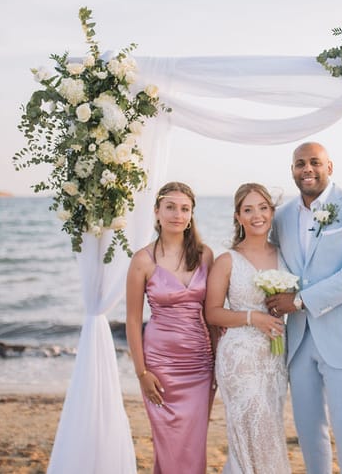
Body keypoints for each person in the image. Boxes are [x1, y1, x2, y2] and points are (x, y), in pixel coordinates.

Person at [266, 142, 342, 474]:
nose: (307, 169)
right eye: (300, 163)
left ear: (329, 167)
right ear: (292, 170)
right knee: (308, 431)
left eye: (315, 162)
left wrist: (299, 300)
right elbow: (274, 263)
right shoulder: (282, 216)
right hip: (298, 340)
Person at [125, 182, 215, 474]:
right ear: (157, 211)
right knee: (167, 443)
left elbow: (211, 315)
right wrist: (142, 373)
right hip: (160, 365)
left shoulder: (205, 255)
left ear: (191, 215)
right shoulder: (143, 260)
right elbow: (133, 320)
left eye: (184, 209)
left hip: (200, 365)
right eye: (170, 207)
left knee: (194, 444)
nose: (178, 214)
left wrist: (218, 362)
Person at [205, 183, 291, 473]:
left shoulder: (285, 255)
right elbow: (212, 313)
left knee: (270, 429)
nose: (257, 215)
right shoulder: (227, 260)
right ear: (238, 217)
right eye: (248, 209)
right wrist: (254, 317)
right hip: (239, 357)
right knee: (254, 428)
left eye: (263, 208)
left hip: (274, 356)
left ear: (272, 212)